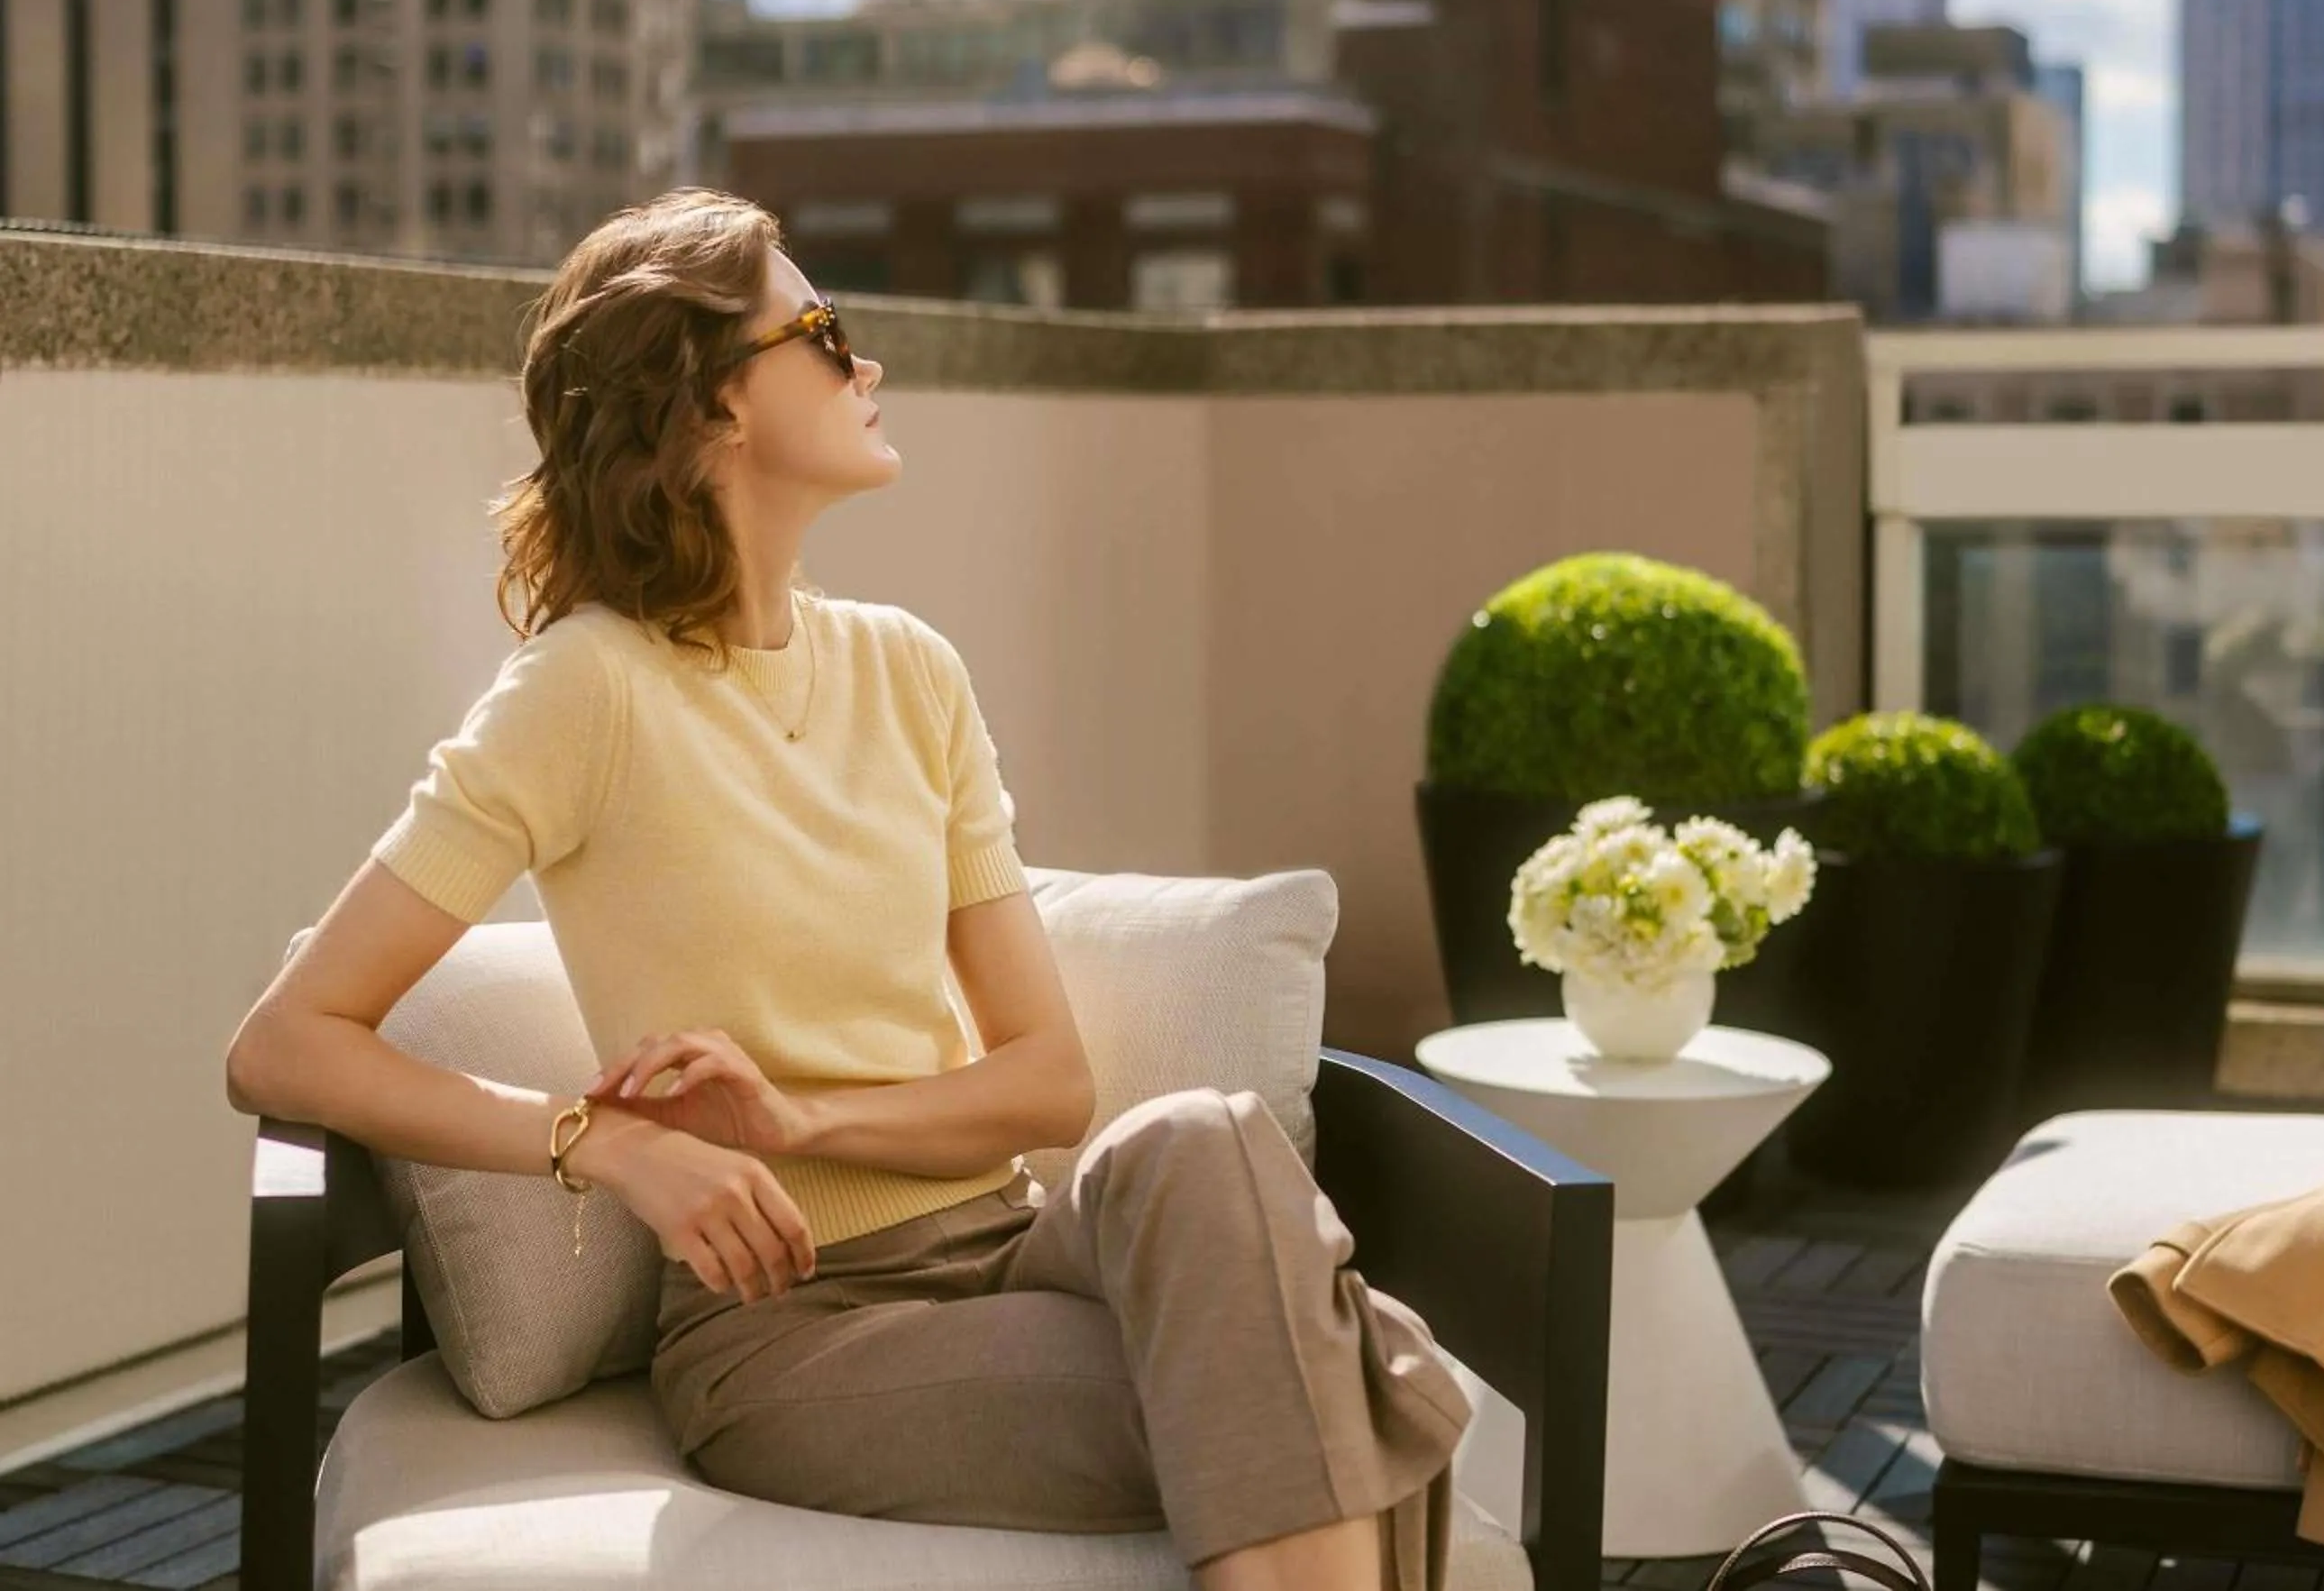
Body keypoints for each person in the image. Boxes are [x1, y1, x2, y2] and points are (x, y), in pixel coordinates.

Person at [224, 188, 1469, 1591]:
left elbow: (1052, 1084)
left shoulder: (910, 668)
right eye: (823, 332)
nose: (865, 365)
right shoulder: (586, 690)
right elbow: (285, 1040)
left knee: (1204, 1134)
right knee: (1321, 1380)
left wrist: (801, 1112)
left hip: (1012, 1251)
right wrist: (611, 1142)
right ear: (712, 406)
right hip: (797, 1333)